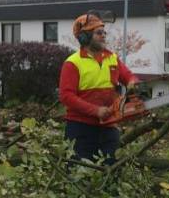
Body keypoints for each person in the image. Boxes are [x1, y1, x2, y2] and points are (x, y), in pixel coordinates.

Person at [58, 12, 139, 164]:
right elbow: (66, 96)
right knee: (80, 172)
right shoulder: (73, 63)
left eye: (104, 32)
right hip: (81, 128)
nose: (103, 35)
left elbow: (128, 76)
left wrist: (132, 83)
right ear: (85, 37)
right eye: (98, 32)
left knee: (111, 168)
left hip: (109, 125)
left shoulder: (112, 58)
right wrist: (96, 111)